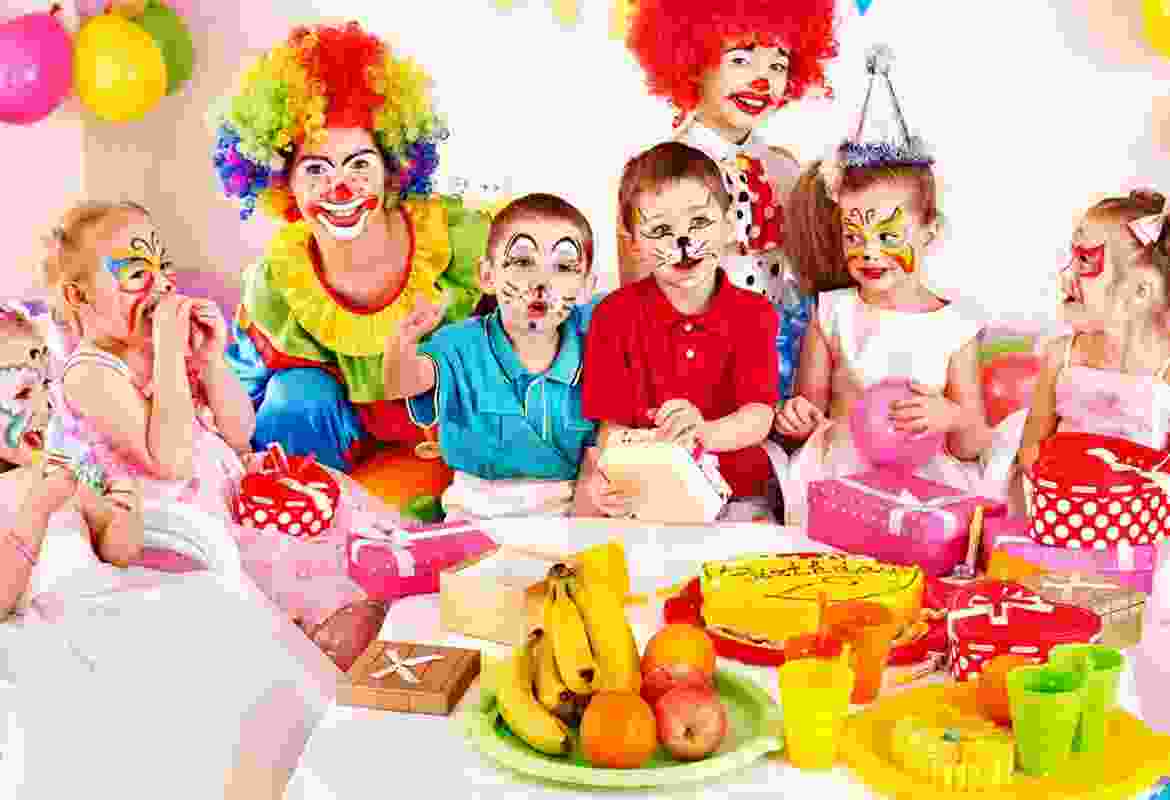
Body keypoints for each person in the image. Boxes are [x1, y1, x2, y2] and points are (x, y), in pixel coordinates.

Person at [39, 200, 391, 670]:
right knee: (295, 583)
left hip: (227, 492)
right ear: (78, 296)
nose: (162, 284)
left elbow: (241, 434)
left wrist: (209, 361)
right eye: (136, 273)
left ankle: (383, 613)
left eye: (162, 266)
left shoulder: (161, 350)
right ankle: (334, 657)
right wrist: (169, 352)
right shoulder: (90, 372)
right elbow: (170, 463)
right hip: (178, 526)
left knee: (344, 525)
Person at [212, 21, 491, 476]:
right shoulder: (278, 284)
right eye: (316, 169)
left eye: (359, 164)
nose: (340, 188)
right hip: (339, 445)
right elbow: (241, 401)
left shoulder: (453, 242)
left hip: (444, 434)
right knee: (292, 399)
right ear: (283, 182)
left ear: (393, 167)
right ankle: (309, 501)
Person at [776, 48, 1021, 524]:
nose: (869, 251)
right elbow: (808, 413)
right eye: (854, 235)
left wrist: (950, 416)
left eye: (888, 236)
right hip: (842, 474)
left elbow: (972, 443)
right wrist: (796, 417)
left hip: (924, 482)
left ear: (930, 231)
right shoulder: (831, 312)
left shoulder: (954, 326)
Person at [624, 0, 838, 400]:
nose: (762, 81)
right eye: (740, 60)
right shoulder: (658, 173)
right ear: (692, 60)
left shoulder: (785, 169)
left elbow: (813, 277)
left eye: (778, 65)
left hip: (786, 366)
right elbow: (638, 300)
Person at [581, 142, 779, 518]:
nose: (683, 241)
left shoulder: (754, 314)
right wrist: (612, 474)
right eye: (660, 230)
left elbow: (759, 417)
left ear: (728, 225)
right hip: (647, 502)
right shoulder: (613, 317)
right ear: (634, 244)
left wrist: (701, 433)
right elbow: (611, 430)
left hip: (739, 502)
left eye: (700, 223)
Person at [385, 193, 611, 518]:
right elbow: (401, 385)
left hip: (567, 515)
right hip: (475, 514)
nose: (541, 283)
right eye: (523, 262)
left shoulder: (594, 342)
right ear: (487, 276)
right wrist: (403, 342)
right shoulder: (460, 343)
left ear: (586, 286)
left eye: (563, 267)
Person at [1015, 191, 1170, 492]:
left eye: (1085, 261)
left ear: (1140, 291)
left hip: (1138, 510)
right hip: (1065, 504)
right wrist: (1058, 493)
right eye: (1071, 258)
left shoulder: (1165, 369)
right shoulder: (1062, 356)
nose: (1066, 275)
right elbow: (1031, 448)